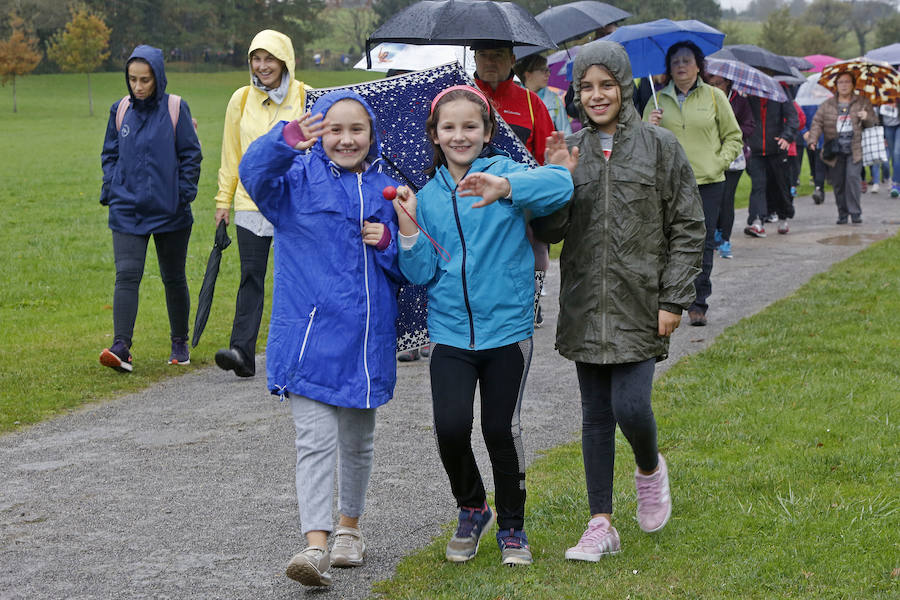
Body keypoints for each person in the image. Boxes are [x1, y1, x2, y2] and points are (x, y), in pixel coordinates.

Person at [531, 39, 704, 562]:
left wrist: (673, 299)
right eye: (586, 87)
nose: (597, 95)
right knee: (594, 415)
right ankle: (600, 522)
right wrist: (557, 175)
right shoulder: (571, 148)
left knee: (631, 405)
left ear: (625, 86)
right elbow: (551, 232)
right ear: (577, 93)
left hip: (640, 300)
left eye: (607, 85)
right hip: (587, 302)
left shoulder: (659, 146)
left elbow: (688, 226)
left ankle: (649, 468)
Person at [391, 85, 573, 566]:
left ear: (487, 131)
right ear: (435, 134)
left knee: (499, 429)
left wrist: (507, 188)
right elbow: (421, 273)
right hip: (449, 332)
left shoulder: (506, 173)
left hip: (507, 331)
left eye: (470, 126)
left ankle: (513, 527)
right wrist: (409, 230)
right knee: (450, 428)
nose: (459, 135)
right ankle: (473, 507)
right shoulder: (426, 196)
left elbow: (561, 184)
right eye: (448, 127)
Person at [239, 90, 403, 587]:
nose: (346, 139)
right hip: (308, 339)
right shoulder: (294, 182)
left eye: (357, 130)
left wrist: (390, 240)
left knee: (358, 441)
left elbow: (405, 270)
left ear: (372, 136)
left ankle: (349, 529)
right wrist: (285, 140)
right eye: (335, 129)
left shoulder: (388, 189)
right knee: (313, 441)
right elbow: (253, 175)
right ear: (319, 133)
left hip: (364, 343)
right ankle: (314, 546)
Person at [98, 45, 202, 373]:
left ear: (158, 77)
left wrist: (181, 195)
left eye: (145, 80)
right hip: (127, 209)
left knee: (173, 277)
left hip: (170, 210)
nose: (139, 86)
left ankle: (179, 342)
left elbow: (191, 154)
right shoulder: (120, 110)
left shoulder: (175, 108)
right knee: (127, 275)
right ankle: (122, 347)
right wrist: (113, 189)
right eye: (133, 80)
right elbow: (110, 154)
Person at [213, 30, 309, 378]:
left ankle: (302, 350)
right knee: (251, 277)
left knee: (296, 278)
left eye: (270, 58)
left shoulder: (305, 96)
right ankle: (242, 352)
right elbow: (231, 155)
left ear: (285, 60)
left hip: (293, 203)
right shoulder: (239, 100)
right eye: (257, 58)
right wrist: (223, 200)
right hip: (249, 203)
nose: (262, 65)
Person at [645, 41, 742, 327]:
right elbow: (641, 144)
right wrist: (650, 126)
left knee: (702, 242)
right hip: (669, 185)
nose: (681, 66)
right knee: (667, 243)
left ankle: (698, 302)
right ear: (669, 68)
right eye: (675, 62)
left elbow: (734, 137)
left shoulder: (714, 97)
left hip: (708, 183)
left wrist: (718, 162)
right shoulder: (656, 100)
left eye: (687, 60)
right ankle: (670, 298)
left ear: (698, 65)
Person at [473, 41, 557, 328]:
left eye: (497, 55)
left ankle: (529, 306)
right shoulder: (463, 96)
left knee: (534, 256)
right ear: (474, 57)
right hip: (474, 201)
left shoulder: (532, 104)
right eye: (483, 54)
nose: (490, 62)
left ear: (512, 59)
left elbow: (547, 157)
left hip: (522, 204)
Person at [804, 72, 875, 224]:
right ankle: (842, 214)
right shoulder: (827, 104)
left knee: (853, 179)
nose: (844, 85)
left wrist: (866, 116)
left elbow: (873, 122)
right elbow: (817, 123)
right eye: (841, 82)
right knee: (838, 183)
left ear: (853, 85)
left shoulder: (862, 102)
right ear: (836, 86)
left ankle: (855, 213)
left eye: (847, 82)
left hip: (854, 149)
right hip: (834, 151)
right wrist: (813, 140)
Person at [705, 73, 755, 260]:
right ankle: (716, 232)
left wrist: (730, 130)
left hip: (734, 158)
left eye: (719, 83)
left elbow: (750, 126)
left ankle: (725, 239)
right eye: (711, 83)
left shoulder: (739, 102)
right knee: (713, 199)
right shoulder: (704, 98)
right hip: (710, 156)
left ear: (727, 82)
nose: (716, 86)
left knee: (726, 199)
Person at [742, 87, 799, 237]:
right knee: (758, 186)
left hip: (777, 149)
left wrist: (787, 137)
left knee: (780, 185)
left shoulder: (781, 91)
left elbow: (793, 118)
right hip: (755, 150)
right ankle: (757, 221)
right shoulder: (748, 92)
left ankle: (783, 218)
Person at [515, 54, 572, 135]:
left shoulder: (554, 100)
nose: (548, 74)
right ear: (528, 74)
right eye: (543, 70)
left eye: (548, 70)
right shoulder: (514, 100)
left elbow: (566, 134)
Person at [880, 100, 900, 197]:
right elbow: (877, 113)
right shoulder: (879, 93)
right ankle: (897, 179)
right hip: (887, 127)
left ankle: (896, 185)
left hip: (898, 125)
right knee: (893, 156)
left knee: (897, 153)